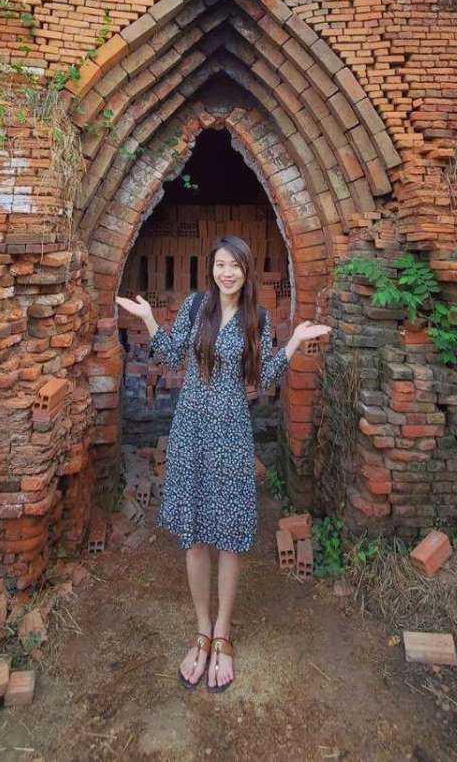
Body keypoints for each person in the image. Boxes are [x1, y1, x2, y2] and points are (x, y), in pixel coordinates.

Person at [115, 234, 331, 693]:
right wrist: (152, 319)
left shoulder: (258, 317)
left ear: (247, 270)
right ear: (211, 269)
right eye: (219, 264)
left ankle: (223, 633)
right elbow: (172, 357)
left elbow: (263, 376)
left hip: (231, 433)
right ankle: (200, 627)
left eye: (235, 264)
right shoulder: (196, 308)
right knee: (193, 536)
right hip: (190, 430)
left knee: (229, 536)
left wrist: (292, 342)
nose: (226, 272)